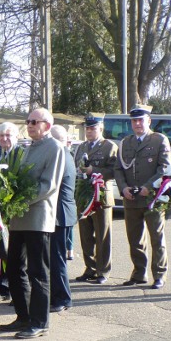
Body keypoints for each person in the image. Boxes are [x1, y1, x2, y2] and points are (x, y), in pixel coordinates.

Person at [0, 108, 64, 339]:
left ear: (47, 124)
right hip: (19, 219)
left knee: (38, 272)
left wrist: (18, 199)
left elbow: (49, 185)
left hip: (38, 219)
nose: (30, 125)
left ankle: (40, 322)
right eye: (28, 121)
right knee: (14, 269)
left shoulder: (54, 147)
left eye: (34, 121)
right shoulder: (26, 148)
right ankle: (23, 316)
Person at [114, 104, 171, 289]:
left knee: (157, 237)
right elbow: (118, 168)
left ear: (149, 121)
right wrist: (123, 188)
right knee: (134, 238)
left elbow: (165, 168)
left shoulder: (159, 140)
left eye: (141, 120)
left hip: (152, 198)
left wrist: (149, 187)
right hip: (131, 198)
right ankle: (139, 273)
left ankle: (159, 274)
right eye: (134, 120)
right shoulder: (126, 142)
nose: (137, 123)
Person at [73, 113, 118, 284]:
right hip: (84, 197)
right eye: (87, 128)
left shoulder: (109, 146)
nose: (89, 131)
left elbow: (114, 170)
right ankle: (90, 268)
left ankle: (103, 271)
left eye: (93, 128)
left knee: (103, 235)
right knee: (86, 236)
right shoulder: (82, 147)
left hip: (101, 197)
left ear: (101, 128)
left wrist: (95, 170)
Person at [49, 124, 77, 313]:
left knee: (57, 259)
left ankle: (62, 298)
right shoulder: (64, 155)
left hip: (60, 214)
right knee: (55, 258)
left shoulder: (62, 156)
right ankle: (58, 296)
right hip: (61, 213)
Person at [0, 121, 21, 302]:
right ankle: (2, 286)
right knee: (0, 249)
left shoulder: (22, 155)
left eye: (8, 135)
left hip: (16, 211)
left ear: (16, 137)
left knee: (14, 251)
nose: (5, 139)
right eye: (1, 136)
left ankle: (15, 288)